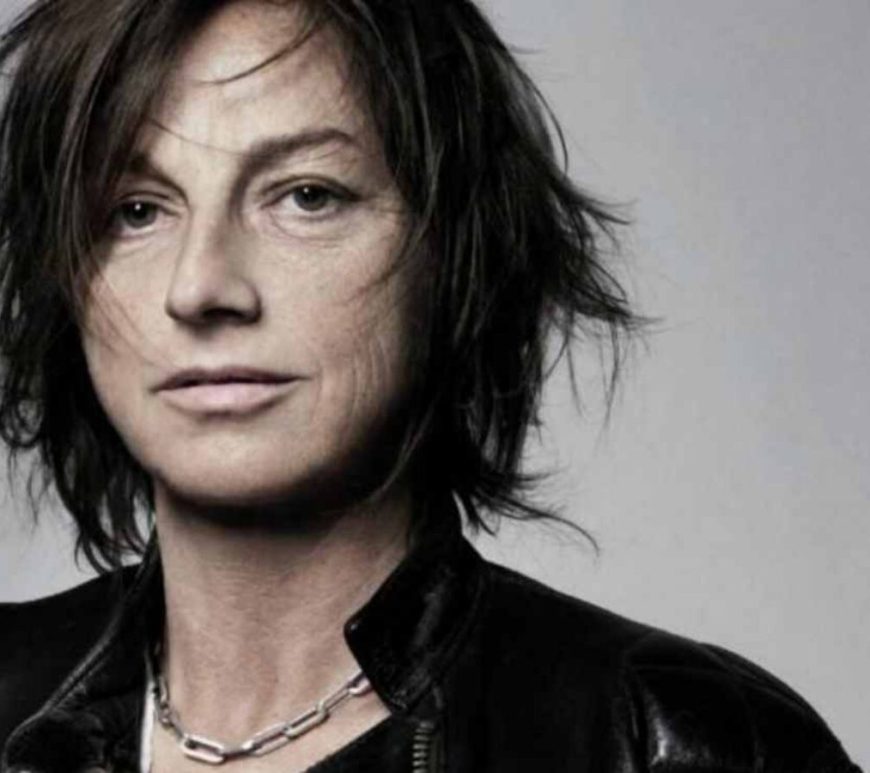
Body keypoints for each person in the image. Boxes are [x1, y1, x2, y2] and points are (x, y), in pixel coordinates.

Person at [0, 0, 859, 771]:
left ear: (454, 252)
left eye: (307, 196)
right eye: (136, 209)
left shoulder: (667, 740)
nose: (201, 286)